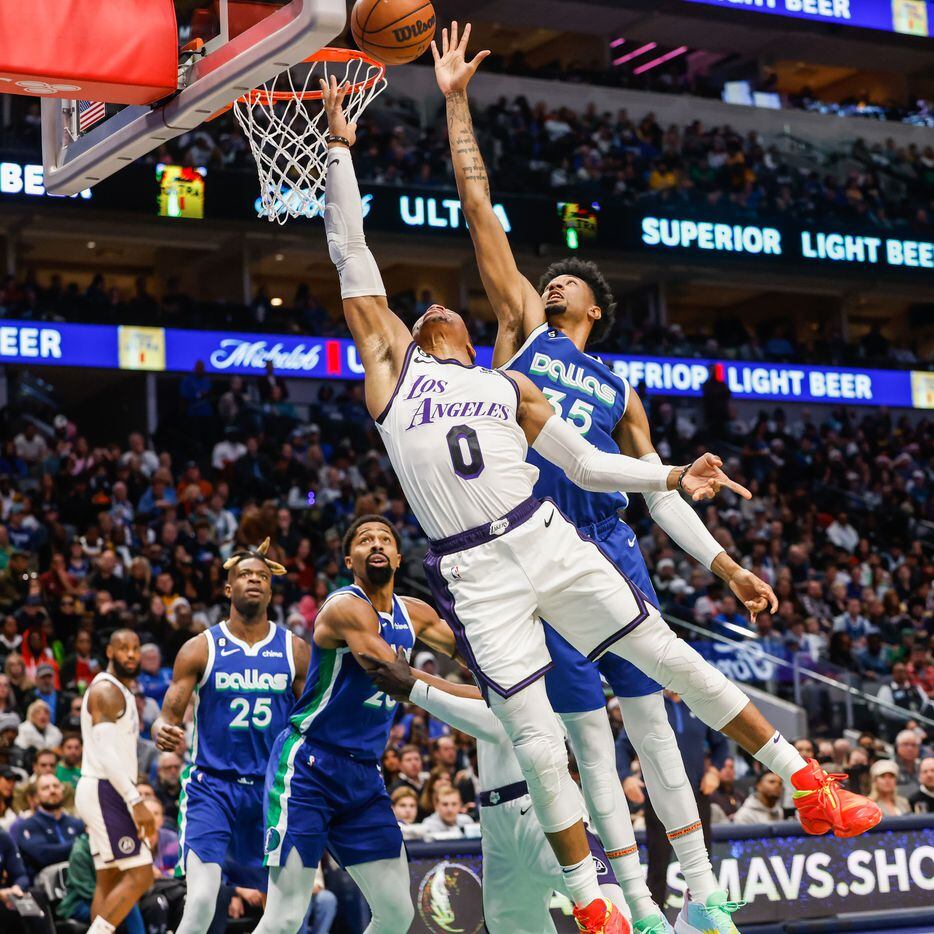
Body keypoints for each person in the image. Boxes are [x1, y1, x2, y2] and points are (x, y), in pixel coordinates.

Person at [318, 65, 882, 934]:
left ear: (475, 334)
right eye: (421, 308)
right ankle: (599, 906)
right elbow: (354, 256)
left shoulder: (511, 384)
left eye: (445, 310)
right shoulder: (394, 375)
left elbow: (586, 467)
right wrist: (340, 153)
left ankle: (805, 784)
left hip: (554, 537)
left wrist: (668, 477)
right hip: (476, 574)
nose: (433, 307)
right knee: (543, 742)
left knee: (668, 663)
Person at [254, 515, 459, 934]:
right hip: (309, 764)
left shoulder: (415, 612)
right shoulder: (345, 606)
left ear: (400, 558)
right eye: (366, 539)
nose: (377, 543)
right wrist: (482, 699)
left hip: (364, 773)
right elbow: (393, 674)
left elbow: (472, 654)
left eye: (386, 538)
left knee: (397, 913)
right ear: (351, 559)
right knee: (284, 918)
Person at [364, 648, 629, 933]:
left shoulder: (536, 674)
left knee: (607, 909)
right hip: (495, 822)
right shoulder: (494, 683)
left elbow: (491, 723)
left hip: (540, 809)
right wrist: (414, 679)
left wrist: (414, 688)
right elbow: (471, 693)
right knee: (510, 925)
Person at [151, 538, 310, 934]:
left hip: (272, 793)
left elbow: (313, 719)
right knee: (202, 900)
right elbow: (166, 717)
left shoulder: (295, 650)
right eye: (244, 575)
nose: (253, 580)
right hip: (213, 788)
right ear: (228, 588)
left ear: (271, 589)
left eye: (260, 576)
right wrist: (162, 731)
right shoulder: (199, 648)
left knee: (286, 913)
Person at [75, 630, 157, 934]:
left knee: (108, 879)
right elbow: (107, 754)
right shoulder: (106, 691)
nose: (132, 654)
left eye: (136, 648)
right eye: (123, 648)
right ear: (109, 652)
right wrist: (135, 800)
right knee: (141, 874)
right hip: (104, 788)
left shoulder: (120, 690)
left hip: (101, 788)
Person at [615, 691, 728, 912]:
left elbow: (721, 745)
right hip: (658, 797)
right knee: (658, 864)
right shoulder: (647, 704)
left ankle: (708, 915)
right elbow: (622, 747)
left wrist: (714, 770)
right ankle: (656, 921)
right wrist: (626, 776)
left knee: (703, 863)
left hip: (697, 795)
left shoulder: (697, 703)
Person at [13, 773, 83, 879]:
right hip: (43, 888)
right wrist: (80, 844)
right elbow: (44, 855)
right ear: (36, 797)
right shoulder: (26, 826)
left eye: (56, 786)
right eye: (45, 788)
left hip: (80, 880)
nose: (52, 790)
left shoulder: (77, 823)